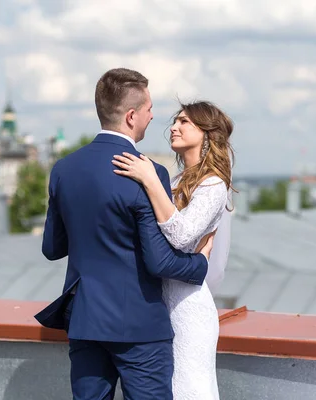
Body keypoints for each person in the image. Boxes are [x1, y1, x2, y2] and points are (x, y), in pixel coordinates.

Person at [35, 68, 215, 400]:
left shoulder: (63, 169)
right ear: (131, 116)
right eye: (148, 109)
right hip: (139, 325)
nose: (152, 116)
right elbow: (159, 261)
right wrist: (200, 264)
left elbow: (52, 248)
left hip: (85, 321)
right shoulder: (148, 172)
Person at [112, 100, 234, 399]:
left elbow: (180, 236)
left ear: (207, 133)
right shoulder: (176, 180)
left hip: (190, 306)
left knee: (189, 390)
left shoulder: (214, 185)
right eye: (175, 121)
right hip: (159, 304)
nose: (174, 127)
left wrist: (150, 179)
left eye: (185, 122)